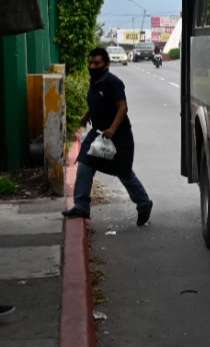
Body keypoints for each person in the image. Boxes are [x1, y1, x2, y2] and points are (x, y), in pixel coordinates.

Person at [61, 48, 153, 226]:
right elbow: (97, 102)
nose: (92, 66)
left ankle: (143, 203)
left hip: (119, 136)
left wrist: (112, 129)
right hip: (98, 134)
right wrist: (87, 115)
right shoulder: (94, 82)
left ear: (106, 64)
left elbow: (122, 108)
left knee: (124, 172)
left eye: (97, 63)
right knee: (85, 164)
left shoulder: (113, 82)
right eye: (91, 63)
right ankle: (81, 206)